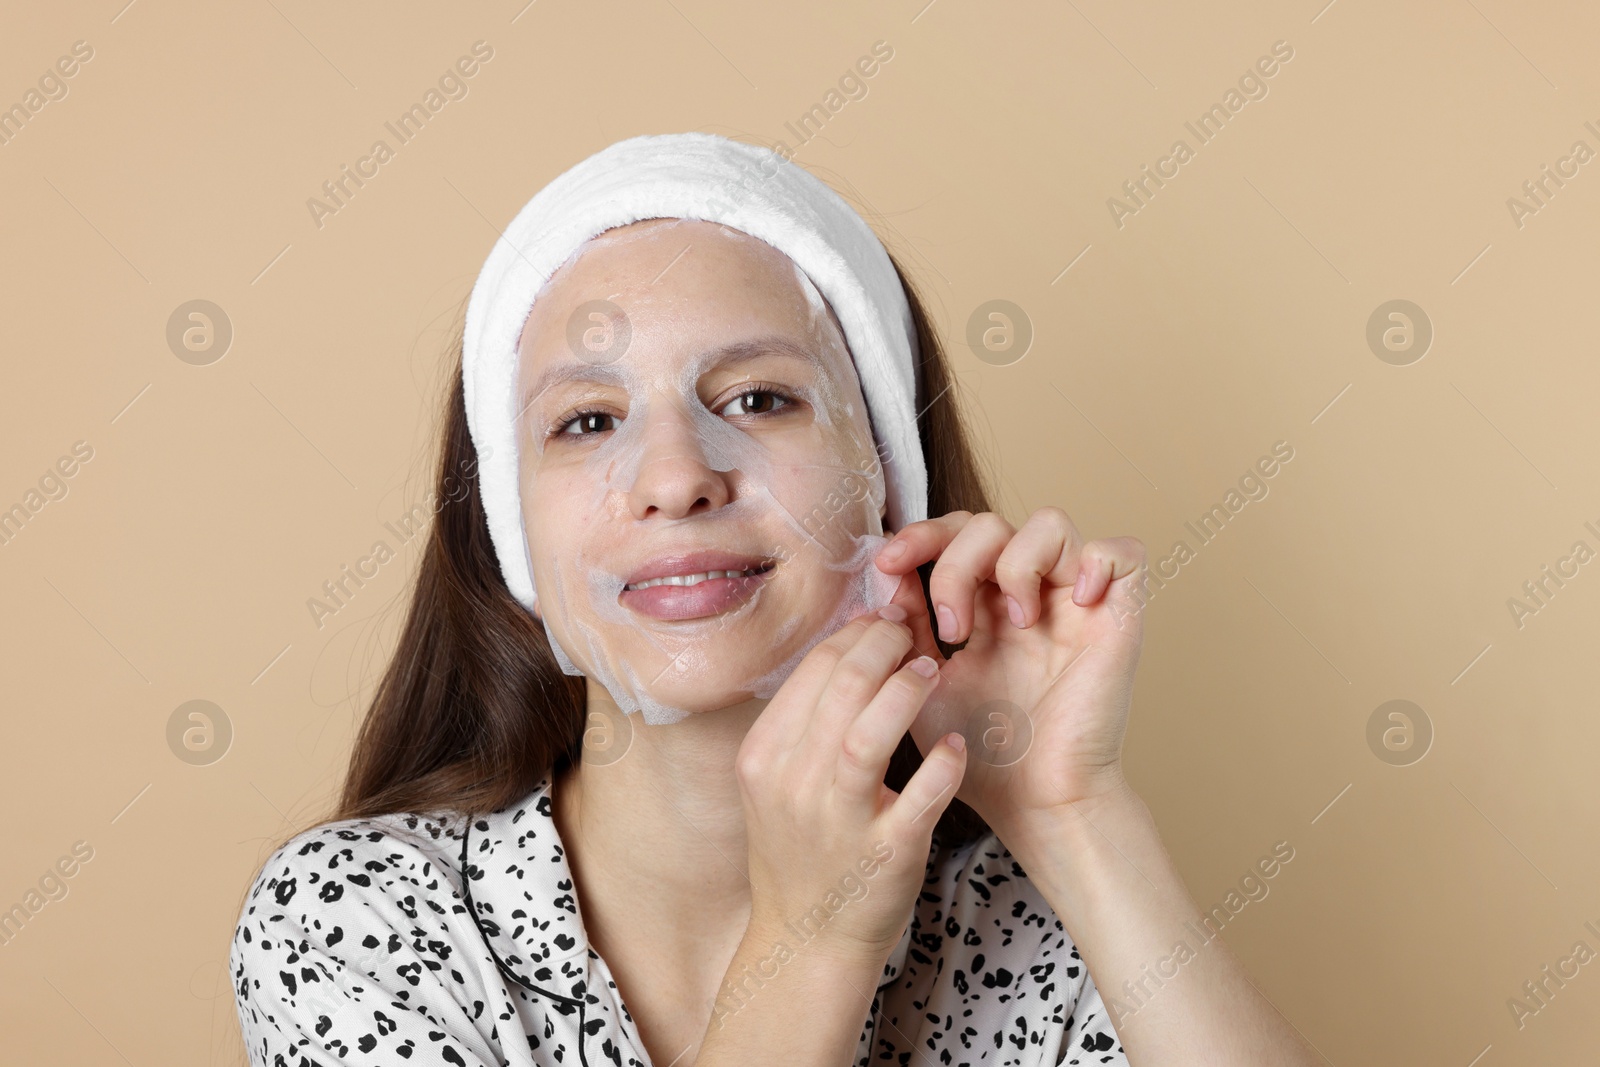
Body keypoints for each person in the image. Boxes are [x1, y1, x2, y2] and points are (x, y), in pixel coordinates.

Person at [231, 134, 1321, 1067]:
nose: (674, 476)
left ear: (888, 483)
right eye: (587, 420)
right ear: (514, 540)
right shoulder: (359, 919)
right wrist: (811, 941)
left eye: (758, 397)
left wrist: (1070, 814)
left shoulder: (1030, 912)